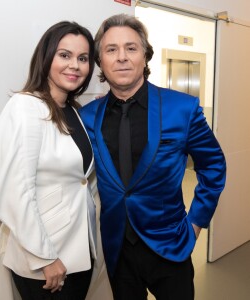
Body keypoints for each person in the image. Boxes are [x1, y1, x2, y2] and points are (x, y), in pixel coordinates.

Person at [79, 14, 226, 300]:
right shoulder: (87, 117)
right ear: (100, 61)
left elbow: (214, 167)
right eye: (111, 50)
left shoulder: (182, 108)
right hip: (117, 249)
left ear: (145, 56)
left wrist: (195, 226)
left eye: (131, 48)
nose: (121, 57)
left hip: (171, 247)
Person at [0, 21, 97, 300]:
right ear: (45, 58)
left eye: (83, 58)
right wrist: (45, 258)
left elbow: (80, 182)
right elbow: (14, 190)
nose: (75, 65)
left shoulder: (73, 111)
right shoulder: (26, 107)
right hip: (45, 261)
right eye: (64, 55)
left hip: (78, 252)